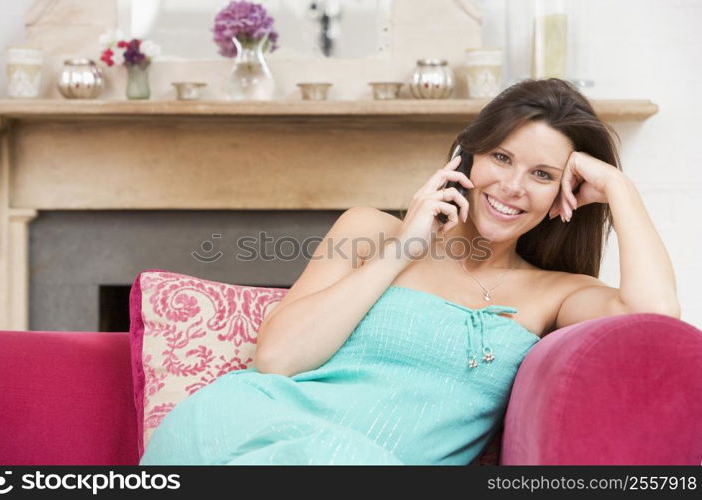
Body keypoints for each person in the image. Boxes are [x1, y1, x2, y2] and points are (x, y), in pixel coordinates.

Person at [140, 78, 680, 465]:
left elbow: (657, 327)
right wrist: (404, 248)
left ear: (565, 192)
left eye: (542, 173)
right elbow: (276, 359)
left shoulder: (558, 294)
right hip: (244, 433)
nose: (513, 187)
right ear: (466, 159)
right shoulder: (370, 230)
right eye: (501, 158)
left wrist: (620, 190)